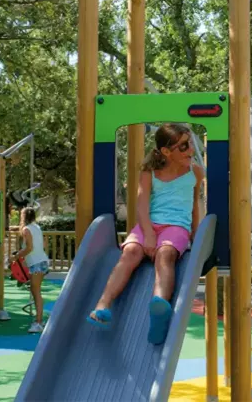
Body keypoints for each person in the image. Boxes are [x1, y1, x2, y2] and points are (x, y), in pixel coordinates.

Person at [87, 123, 204, 345]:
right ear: (167, 152)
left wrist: (195, 233)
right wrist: (148, 233)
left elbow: (195, 204)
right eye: (184, 146)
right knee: (130, 252)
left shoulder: (195, 172)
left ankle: (159, 305)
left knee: (165, 254)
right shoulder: (150, 172)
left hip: (177, 226)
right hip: (148, 224)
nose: (191, 149)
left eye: (191, 144)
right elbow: (141, 205)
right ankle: (103, 305)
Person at [12, 207, 49, 334]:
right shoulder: (36, 227)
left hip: (36, 263)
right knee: (35, 291)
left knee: (36, 292)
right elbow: (44, 244)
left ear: (24, 216)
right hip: (41, 261)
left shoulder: (26, 229)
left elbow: (29, 248)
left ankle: (38, 322)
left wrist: (16, 256)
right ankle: (39, 320)